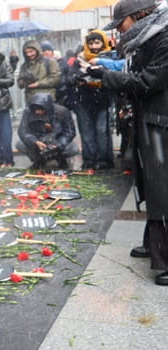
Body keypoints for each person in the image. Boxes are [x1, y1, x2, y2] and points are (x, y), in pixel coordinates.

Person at [88, 0, 168, 285]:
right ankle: (154, 244)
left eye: (120, 24)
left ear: (138, 16)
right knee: (148, 184)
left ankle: (165, 257)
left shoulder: (164, 37)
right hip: (149, 119)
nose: (119, 31)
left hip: (162, 122)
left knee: (162, 189)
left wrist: (106, 76)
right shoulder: (144, 39)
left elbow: (147, 82)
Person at [69, 30, 114, 170]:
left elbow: (114, 77)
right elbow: (70, 79)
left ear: (103, 43)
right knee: (86, 131)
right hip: (84, 100)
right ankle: (89, 159)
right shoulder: (80, 59)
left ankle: (105, 159)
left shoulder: (109, 58)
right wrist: (79, 75)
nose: (94, 46)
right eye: (91, 43)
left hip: (103, 100)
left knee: (102, 131)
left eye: (97, 42)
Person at [15, 93, 79, 169]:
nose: (37, 112)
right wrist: (35, 141)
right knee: (20, 144)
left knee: (73, 149)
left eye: (40, 110)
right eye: (35, 110)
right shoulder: (28, 112)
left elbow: (70, 132)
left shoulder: (62, 111)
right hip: (38, 140)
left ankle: (61, 159)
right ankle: (38, 160)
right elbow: (23, 131)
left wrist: (58, 145)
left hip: (57, 139)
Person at [17, 40, 61, 105]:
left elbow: (55, 79)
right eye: (26, 52)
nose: (28, 54)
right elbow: (19, 81)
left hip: (46, 100)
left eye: (31, 51)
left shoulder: (50, 62)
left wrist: (38, 84)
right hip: (30, 100)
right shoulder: (24, 66)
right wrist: (25, 82)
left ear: (37, 50)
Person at [40, 40, 70, 106]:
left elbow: (59, 78)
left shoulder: (60, 61)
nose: (45, 52)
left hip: (61, 93)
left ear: (52, 51)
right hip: (47, 94)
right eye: (43, 51)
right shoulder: (40, 64)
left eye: (48, 50)